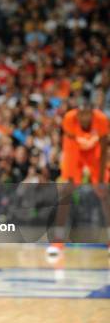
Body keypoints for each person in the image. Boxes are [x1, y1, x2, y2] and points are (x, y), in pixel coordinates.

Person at [47, 100, 109, 257]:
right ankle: (57, 242)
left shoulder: (101, 120)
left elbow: (103, 149)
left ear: (92, 113)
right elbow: (71, 150)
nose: (84, 118)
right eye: (81, 115)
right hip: (75, 151)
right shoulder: (69, 119)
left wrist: (101, 179)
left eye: (87, 115)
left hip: (94, 152)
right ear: (77, 113)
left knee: (105, 194)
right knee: (65, 194)